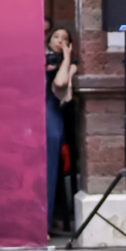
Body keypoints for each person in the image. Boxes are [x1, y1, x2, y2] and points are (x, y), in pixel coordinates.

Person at [46, 27, 78, 231]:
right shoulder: (39, 58)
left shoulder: (70, 65)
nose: (59, 41)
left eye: (64, 39)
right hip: (32, 115)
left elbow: (60, 82)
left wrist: (66, 58)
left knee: (49, 169)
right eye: (56, 37)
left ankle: (45, 224)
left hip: (50, 115)